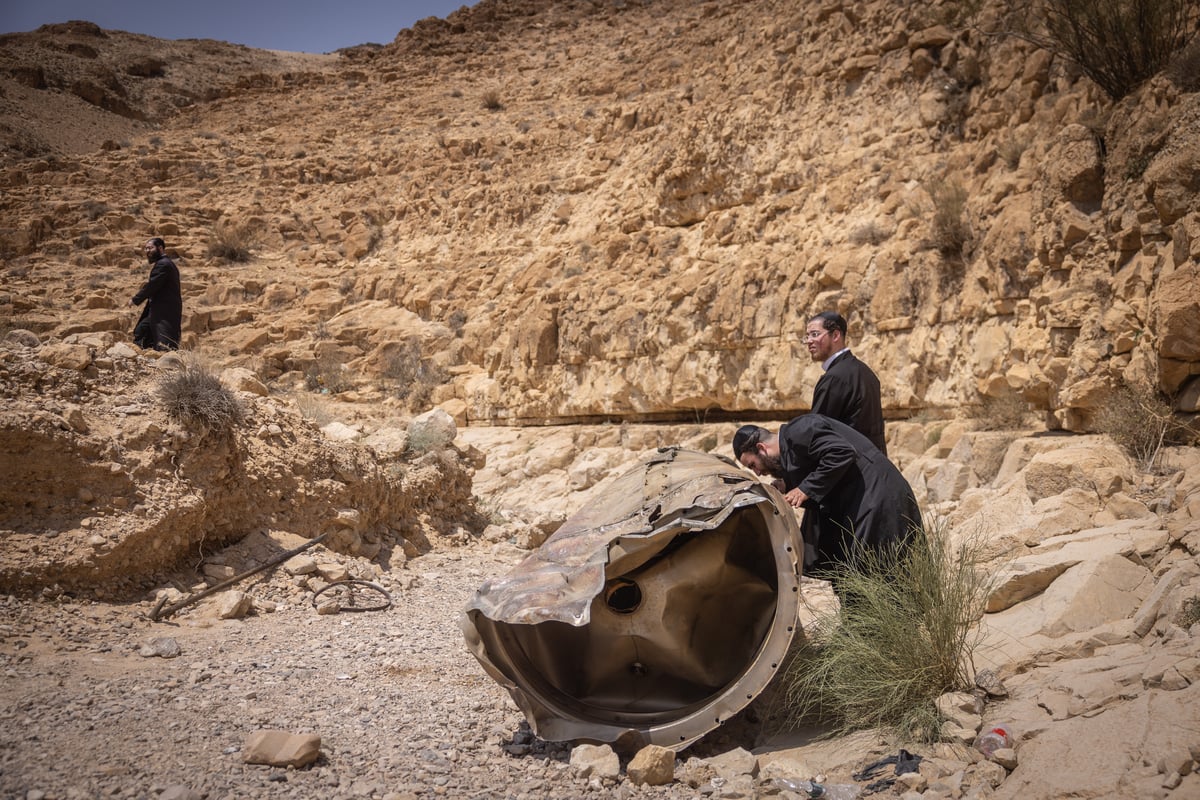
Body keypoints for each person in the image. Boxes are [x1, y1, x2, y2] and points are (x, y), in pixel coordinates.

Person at [732, 415, 922, 584]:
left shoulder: (800, 429)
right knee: (852, 574)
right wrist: (788, 487)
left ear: (761, 448)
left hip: (878, 496)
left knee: (874, 572)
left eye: (753, 465)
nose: (758, 472)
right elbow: (826, 475)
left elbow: (841, 452)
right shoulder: (792, 446)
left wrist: (805, 489)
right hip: (865, 502)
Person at [805, 311, 887, 455]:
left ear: (835, 335)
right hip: (873, 465)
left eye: (815, 334)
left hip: (852, 469)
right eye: (807, 336)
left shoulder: (835, 378)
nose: (809, 341)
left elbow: (817, 433)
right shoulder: (865, 371)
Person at [131, 237, 182, 350]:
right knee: (142, 331)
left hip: (163, 311)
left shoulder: (163, 264)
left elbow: (152, 285)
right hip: (158, 310)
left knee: (163, 339)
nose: (147, 251)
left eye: (150, 248)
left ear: (160, 248)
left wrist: (135, 299)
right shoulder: (165, 263)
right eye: (146, 249)